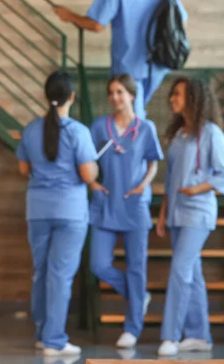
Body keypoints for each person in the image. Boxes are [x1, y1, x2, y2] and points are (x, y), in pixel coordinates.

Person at [15, 70, 99, 357]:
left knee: (41, 272)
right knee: (60, 276)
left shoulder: (31, 129)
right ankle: (54, 340)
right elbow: (88, 175)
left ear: (45, 95)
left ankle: (42, 335)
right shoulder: (78, 132)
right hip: (70, 212)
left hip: (38, 210)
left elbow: (24, 169)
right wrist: (95, 167)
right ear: (71, 97)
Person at [155, 77, 224, 356]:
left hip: (198, 213)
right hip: (176, 212)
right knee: (193, 273)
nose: (172, 98)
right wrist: (163, 215)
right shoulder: (178, 135)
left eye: (177, 94)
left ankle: (170, 336)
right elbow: (170, 179)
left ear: (193, 98)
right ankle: (200, 335)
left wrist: (195, 188)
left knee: (180, 269)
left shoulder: (212, 134)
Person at [52, 0, 188, 119]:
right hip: (158, 63)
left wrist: (69, 16)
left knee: (132, 120)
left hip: (128, 66)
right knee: (137, 113)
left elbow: (97, 25)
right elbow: (181, 19)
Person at [88, 74, 163, 348]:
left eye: (120, 92)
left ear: (132, 95)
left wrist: (143, 185)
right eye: (111, 93)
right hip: (105, 205)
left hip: (135, 207)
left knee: (136, 269)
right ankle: (137, 297)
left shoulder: (146, 129)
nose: (115, 97)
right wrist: (94, 183)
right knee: (98, 264)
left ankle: (132, 329)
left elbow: (153, 162)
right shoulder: (99, 127)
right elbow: (87, 160)